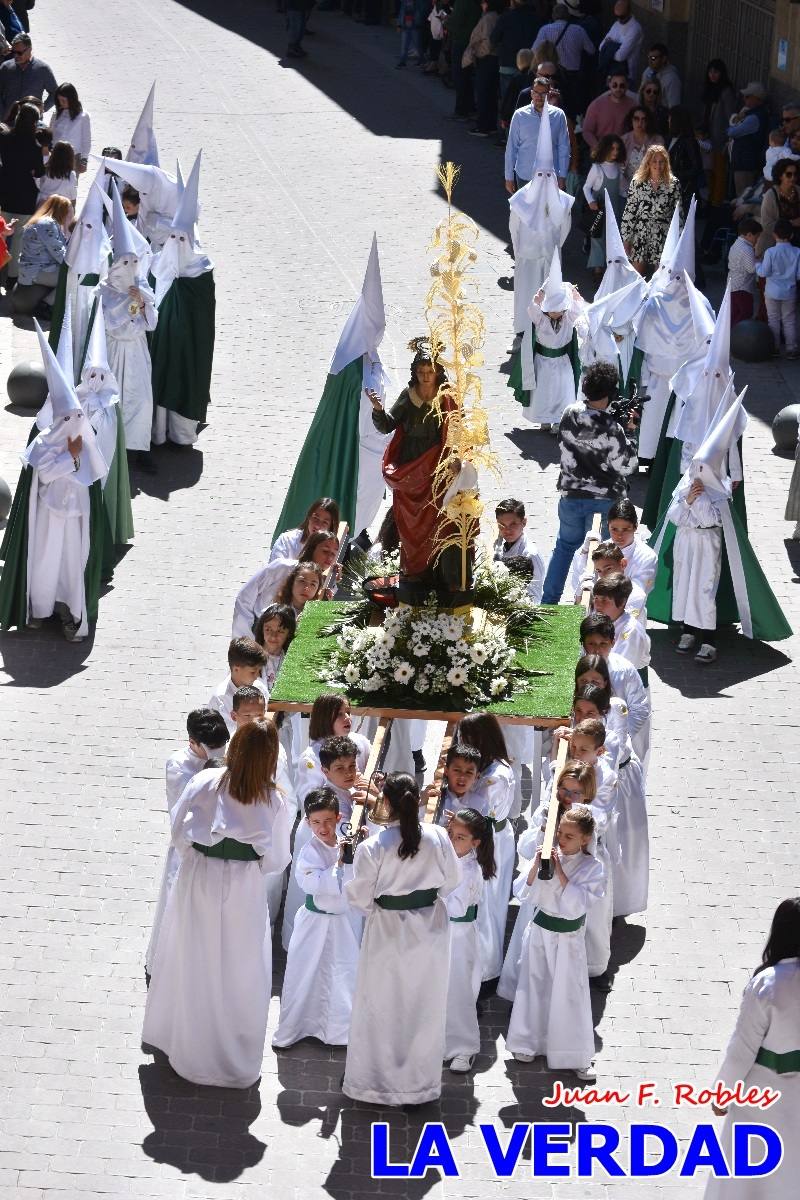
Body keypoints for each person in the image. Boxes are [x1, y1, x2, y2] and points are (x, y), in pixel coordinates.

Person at [142, 719, 292, 1088]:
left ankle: (187, 1043)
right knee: (238, 966)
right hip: (243, 888)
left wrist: (200, 857)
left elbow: (178, 830)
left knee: (194, 956)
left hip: (199, 879)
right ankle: (227, 1051)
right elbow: (276, 859)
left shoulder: (204, 781)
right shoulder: (274, 800)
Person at [342, 772, 461, 1105]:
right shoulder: (438, 836)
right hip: (430, 930)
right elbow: (452, 880)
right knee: (423, 1006)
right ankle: (418, 1084)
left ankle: (374, 1083)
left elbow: (360, 899)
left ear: (386, 802)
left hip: (387, 931)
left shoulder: (373, 847)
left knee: (381, 1004)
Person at [0, 321, 108, 638]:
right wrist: (69, 457)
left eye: (77, 417)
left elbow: (91, 474)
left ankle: (71, 614)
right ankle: (39, 609)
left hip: (74, 515)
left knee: (71, 565)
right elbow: (45, 471)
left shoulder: (86, 439)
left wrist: (77, 455)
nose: (74, 422)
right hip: (48, 514)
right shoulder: (46, 440)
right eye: (68, 418)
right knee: (45, 563)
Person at [704, 897, 800, 1200]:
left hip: (763, 1096)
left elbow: (742, 1050)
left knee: (747, 1171)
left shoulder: (768, 984)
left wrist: (722, 1093)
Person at [505, 805, 604, 1077]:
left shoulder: (593, 868)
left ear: (585, 839)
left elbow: (577, 904)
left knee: (568, 993)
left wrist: (560, 870)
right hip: (540, 933)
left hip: (568, 939)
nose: (562, 840)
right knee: (534, 986)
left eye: (569, 836)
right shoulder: (547, 857)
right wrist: (537, 865)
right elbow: (523, 893)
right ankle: (528, 1041)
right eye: (560, 833)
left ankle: (573, 1053)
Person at [272, 787, 363, 1049]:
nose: (323, 828)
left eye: (328, 821)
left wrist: (357, 851)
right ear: (307, 822)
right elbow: (312, 883)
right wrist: (340, 865)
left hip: (343, 923)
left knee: (342, 973)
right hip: (315, 922)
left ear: (338, 817)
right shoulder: (309, 851)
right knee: (306, 974)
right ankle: (296, 1028)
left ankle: (338, 1031)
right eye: (316, 822)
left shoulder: (347, 842)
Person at [369, 340, 463, 591]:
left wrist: (454, 456)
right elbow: (387, 425)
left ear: (437, 372)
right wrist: (378, 410)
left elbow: (456, 428)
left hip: (437, 468)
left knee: (438, 519)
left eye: (429, 371)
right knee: (410, 524)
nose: (425, 376)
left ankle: (438, 573)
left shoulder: (447, 398)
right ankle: (413, 572)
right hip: (411, 469)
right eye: (421, 372)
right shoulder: (408, 396)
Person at [541, 361, 637, 605]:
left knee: (564, 548)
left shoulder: (569, 413)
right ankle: (597, 607)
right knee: (602, 558)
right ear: (610, 393)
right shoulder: (613, 428)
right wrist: (630, 433)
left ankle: (548, 602)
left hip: (571, 496)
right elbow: (627, 466)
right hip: (605, 501)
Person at [144, 707, 230, 977]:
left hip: (219, 850)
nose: (219, 752)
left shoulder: (226, 754)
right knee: (179, 910)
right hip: (190, 848)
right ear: (192, 742)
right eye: (211, 748)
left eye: (222, 745)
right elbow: (187, 813)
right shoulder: (179, 766)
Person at [506, 95, 573, 348]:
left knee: (550, 297)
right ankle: (523, 332)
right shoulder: (521, 199)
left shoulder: (562, 200)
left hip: (550, 257)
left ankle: (549, 334)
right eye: (540, 174)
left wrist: (554, 248)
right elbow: (514, 227)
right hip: (527, 255)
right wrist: (520, 249)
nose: (544, 179)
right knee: (525, 294)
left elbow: (564, 227)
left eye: (548, 174)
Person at [100, 182, 158, 474]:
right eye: (125, 262)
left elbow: (152, 321)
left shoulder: (140, 285)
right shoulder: (104, 290)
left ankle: (139, 451)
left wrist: (143, 302)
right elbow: (109, 321)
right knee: (115, 402)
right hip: (114, 352)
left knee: (140, 402)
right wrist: (127, 304)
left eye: (134, 262)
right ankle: (112, 451)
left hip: (136, 351)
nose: (131, 266)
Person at [455, 712, 515, 982]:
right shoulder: (488, 763)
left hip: (488, 840)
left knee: (487, 904)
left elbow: (473, 808)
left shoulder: (495, 777)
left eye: (468, 738)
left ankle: (487, 969)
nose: (464, 743)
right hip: (490, 835)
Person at [444, 807, 495, 1073]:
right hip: (440, 934)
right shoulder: (445, 858)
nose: (453, 841)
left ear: (475, 842)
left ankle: (464, 1047)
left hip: (460, 937)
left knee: (459, 991)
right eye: (451, 834)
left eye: (460, 837)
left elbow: (456, 908)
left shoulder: (471, 870)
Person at [517, 249, 584, 430]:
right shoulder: (541, 319)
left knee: (562, 392)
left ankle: (559, 420)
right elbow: (532, 309)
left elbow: (579, 308)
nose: (556, 313)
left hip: (562, 362)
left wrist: (573, 293)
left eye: (559, 309)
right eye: (552, 309)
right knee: (544, 391)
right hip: (543, 362)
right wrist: (540, 294)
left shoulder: (568, 319)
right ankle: (544, 418)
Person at [233, 531, 340, 638]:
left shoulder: (322, 585)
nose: (330, 558)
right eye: (325, 551)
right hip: (255, 631)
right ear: (312, 548)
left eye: (333, 554)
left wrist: (331, 585)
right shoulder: (282, 566)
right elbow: (245, 597)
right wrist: (244, 635)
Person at [619, 143, 681, 274]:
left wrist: (680, 239)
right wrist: (626, 240)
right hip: (640, 234)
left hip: (663, 236)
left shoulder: (673, 184)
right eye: (654, 161)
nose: (658, 165)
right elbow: (629, 212)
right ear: (648, 162)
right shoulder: (637, 182)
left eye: (661, 161)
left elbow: (678, 213)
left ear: (666, 163)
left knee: (660, 279)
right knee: (636, 278)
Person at [504, 73, 571, 191]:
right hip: (525, 175)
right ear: (531, 93)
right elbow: (511, 147)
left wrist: (563, 176)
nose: (539, 97)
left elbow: (563, 147)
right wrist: (509, 177)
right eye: (536, 92)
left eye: (543, 93)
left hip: (551, 176)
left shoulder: (559, 115)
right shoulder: (519, 115)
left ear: (548, 94)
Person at [0, 99, 42, 282]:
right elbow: (39, 171)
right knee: (18, 239)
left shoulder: (5, 138)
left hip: (5, 191)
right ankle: (12, 276)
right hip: (25, 196)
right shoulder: (35, 146)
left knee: (1, 234)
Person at [532, 3, 594, 120]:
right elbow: (591, 50)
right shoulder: (579, 30)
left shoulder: (545, 30)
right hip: (574, 76)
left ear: (553, 16)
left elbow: (534, 50)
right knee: (571, 108)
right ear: (568, 15)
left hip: (553, 75)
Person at [582, 134, 627, 278]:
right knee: (598, 238)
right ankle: (597, 269)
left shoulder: (618, 168)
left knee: (613, 238)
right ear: (605, 148)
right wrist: (591, 201)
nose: (615, 152)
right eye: (612, 148)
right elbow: (586, 187)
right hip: (600, 211)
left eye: (617, 149)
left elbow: (621, 189)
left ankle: (611, 267)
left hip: (615, 209)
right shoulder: (597, 168)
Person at [17, 193, 70, 309]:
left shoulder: (39, 221)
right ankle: (46, 305)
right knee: (71, 279)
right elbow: (60, 254)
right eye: (67, 211)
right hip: (37, 271)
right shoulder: (48, 224)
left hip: (30, 269)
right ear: (62, 210)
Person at [208, 636, 270, 735]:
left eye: (259, 671)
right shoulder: (220, 699)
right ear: (236, 669)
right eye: (253, 672)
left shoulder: (259, 686)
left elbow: (269, 713)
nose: (257, 676)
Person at [757, 218, 800, 358]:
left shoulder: (770, 252)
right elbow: (799, 275)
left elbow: (764, 273)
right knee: (789, 320)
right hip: (790, 292)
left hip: (772, 292)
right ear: (792, 235)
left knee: (773, 319)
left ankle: (774, 348)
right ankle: (791, 349)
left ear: (774, 234)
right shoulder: (797, 252)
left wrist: (757, 265)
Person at [591, 573, 650, 673]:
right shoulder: (605, 619)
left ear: (622, 602)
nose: (597, 605)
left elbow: (619, 672)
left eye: (604, 600)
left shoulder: (631, 631)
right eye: (596, 598)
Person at [493, 497, 545, 602]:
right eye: (502, 525)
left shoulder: (531, 554)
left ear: (524, 522)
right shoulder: (499, 547)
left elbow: (534, 597)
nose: (507, 530)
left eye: (513, 524)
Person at [700, 60, 736, 210]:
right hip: (707, 136)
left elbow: (731, 117)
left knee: (719, 171)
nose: (712, 75)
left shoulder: (726, 91)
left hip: (720, 138)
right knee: (708, 170)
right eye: (710, 72)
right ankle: (709, 199)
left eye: (716, 72)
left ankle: (716, 203)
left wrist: (728, 138)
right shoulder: (710, 89)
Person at [490, 0, 541, 105]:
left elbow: (493, 38)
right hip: (530, 64)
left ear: (513, 2)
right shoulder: (536, 18)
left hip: (508, 63)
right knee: (527, 101)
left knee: (507, 99)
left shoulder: (505, 17)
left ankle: (508, 115)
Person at [462, 0, 501, 137]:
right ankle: (490, 125)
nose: (481, 5)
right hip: (494, 59)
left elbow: (488, 42)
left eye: (483, 2)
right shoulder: (496, 16)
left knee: (484, 93)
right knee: (491, 94)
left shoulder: (488, 18)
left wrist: (478, 53)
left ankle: (483, 126)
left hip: (487, 59)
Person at [727, 81, 770, 197]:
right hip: (744, 162)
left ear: (757, 99)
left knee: (742, 197)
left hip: (745, 164)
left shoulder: (754, 118)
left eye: (748, 96)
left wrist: (735, 120)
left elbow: (731, 132)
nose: (744, 99)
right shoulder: (752, 114)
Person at [270, 496, 340, 563]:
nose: (317, 526)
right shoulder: (287, 540)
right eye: (315, 518)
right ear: (309, 517)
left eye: (325, 522)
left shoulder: (333, 550)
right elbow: (274, 568)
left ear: (331, 527)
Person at [0, 33, 55, 115]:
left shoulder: (42, 69)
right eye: (13, 52)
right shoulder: (5, 68)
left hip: (32, 120)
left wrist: (43, 108)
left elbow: (54, 93)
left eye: (19, 53)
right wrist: (2, 113)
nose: (16, 55)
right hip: (8, 120)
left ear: (30, 49)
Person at [581, 71, 637, 150]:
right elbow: (587, 131)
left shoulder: (633, 105)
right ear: (609, 84)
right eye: (615, 85)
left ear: (627, 86)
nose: (618, 89)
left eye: (622, 85)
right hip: (601, 148)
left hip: (624, 149)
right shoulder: (597, 105)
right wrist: (597, 147)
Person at [757, 159, 800, 256]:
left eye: (795, 174)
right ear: (780, 176)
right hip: (775, 248)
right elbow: (767, 225)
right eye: (789, 174)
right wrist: (792, 223)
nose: (793, 177)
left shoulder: (798, 191)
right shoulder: (771, 195)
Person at [667, 105, 704, 218]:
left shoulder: (689, 142)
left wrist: (675, 175)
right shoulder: (669, 139)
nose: (668, 121)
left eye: (670, 118)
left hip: (684, 192)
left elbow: (697, 167)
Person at [447, 0, 482, 121]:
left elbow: (456, 23)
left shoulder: (462, 3)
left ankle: (461, 110)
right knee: (467, 76)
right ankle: (470, 107)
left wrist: (446, 21)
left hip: (461, 41)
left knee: (460, 76)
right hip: (471, 42)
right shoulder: (474, 4)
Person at [252, 603, 296, 692]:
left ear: (289, 633)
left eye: (280, 631)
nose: (273, 636)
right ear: (262, 629)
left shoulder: (292, 661)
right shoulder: (248, 657)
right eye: (268, 629)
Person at [727, 217, 761, 326]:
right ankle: (738, 333)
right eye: (757, 237)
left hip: (733, 284)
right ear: (749, 235)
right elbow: (751, 269)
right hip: (743, 287)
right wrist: (762, 263)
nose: (757, 240)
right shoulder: (747, 249)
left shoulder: (736, 244)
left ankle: (730, 333)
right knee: (745, 313)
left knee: (734, 313)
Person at [49, 83, 90, 173]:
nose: (61, 103)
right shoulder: (56, 114)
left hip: (73, 157)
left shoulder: (83, 116)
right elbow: (50, 133)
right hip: (55, 156)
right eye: (59, 100)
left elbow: (86, 140)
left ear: (71, 99)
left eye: (63, 100)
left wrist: (84, 161)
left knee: (71, 181)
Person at [598, 0, 642, 84]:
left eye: (622, 16)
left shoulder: (635, 28)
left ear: (629, 12)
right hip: (611, 73)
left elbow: (620, 56)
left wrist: (609, 46)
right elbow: (601, 47)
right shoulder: (616, 24)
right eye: (616, 16)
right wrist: (615, 47)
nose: (619, 19)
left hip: (627, 76)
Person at [621, 106, 664, 186]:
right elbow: (618, 169)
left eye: (643, 119)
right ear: (631, 120)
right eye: (636, 119)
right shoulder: (623, 140)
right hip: (626, 187)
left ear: (648, 122)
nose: (640, 123)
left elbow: (660, 167)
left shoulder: (657, 140)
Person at [639, 42, 680, 109]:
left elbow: (673, 106)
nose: (650, 61)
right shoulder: (647, 71)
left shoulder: (672, 79)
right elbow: (640, 94)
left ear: (663, 59)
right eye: (649, 57)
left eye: (653, 58)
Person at [35, 140, 76, 205]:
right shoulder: (71, 175)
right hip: (61, 205)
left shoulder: (45, 170)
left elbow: (37, 184)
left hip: (43, 204)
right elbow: (72, 196)